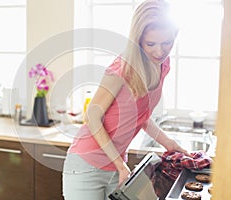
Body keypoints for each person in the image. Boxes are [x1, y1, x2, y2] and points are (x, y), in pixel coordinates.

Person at [62, 0, 190, 199]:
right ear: (137, 40)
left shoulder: (162, 65)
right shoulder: (122, 69)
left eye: (167, 43)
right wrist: (120, 165)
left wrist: (169, 143)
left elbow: (142, 116)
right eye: (151, 44)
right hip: (86, 165)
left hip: (116, 164)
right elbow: (92, 117)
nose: (160, 51)